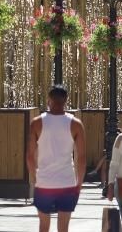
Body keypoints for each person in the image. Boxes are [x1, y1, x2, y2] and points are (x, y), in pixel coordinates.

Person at [26, 85, 86, 232]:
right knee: (63, 228)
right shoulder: (76, 124)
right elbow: (82, 157)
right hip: (66, 181)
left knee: (44, 226)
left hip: (44, 182)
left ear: (49, 100)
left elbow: (30, 156)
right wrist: (79, 181)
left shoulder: (37, 123)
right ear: (66, 100)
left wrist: (34, 177)